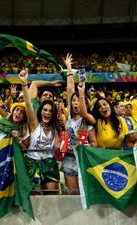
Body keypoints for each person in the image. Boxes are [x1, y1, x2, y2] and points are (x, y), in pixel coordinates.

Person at [18, 68, 61, 194]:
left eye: (50, 111)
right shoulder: (34, 123)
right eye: (45, 110)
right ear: (41, 111)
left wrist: (67, 145)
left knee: (53, 196)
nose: (47, 112)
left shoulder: (55, 127)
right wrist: (24, 83)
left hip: (49, 163)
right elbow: (27, 102)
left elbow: (57, 145)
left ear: (53, 114)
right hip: (32, 162)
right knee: (35, 197)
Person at [61, 54, 98, 195]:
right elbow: (70, 87)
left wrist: (90, 145)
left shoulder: (87, 120)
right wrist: (69, 67)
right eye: (73, 100)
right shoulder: (69, 115)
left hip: (83, 158)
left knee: (85, 193)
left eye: (78, 100)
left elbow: (95, 142)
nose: (75, 102)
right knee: (73, 194)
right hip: (69, 158)